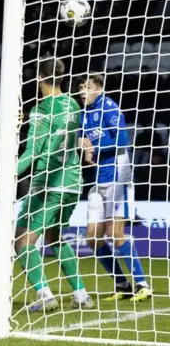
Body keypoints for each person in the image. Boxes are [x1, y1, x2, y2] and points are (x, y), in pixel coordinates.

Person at [0, 54, 92, 312]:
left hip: (48, 184)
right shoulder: (73, 105)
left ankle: (45, 295)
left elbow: (32, 151)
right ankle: (80, 294)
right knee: (55, 238)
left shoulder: (41, 109)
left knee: (22, 242)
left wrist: (7, 176)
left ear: (39, 78)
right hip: (72, 184)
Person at [79, 73, 151, 302]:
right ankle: (122, 285)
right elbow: (82, 141)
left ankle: (143, 284)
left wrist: (94, 149)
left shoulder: (108, 107)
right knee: (92, 237)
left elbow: (121, 140)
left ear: (99, 89)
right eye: (81, 87)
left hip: (119, 174)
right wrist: (80, 145)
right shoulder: (84, 114)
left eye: (87, 87)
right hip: (99, 178)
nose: (83, 91)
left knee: (115, 232)